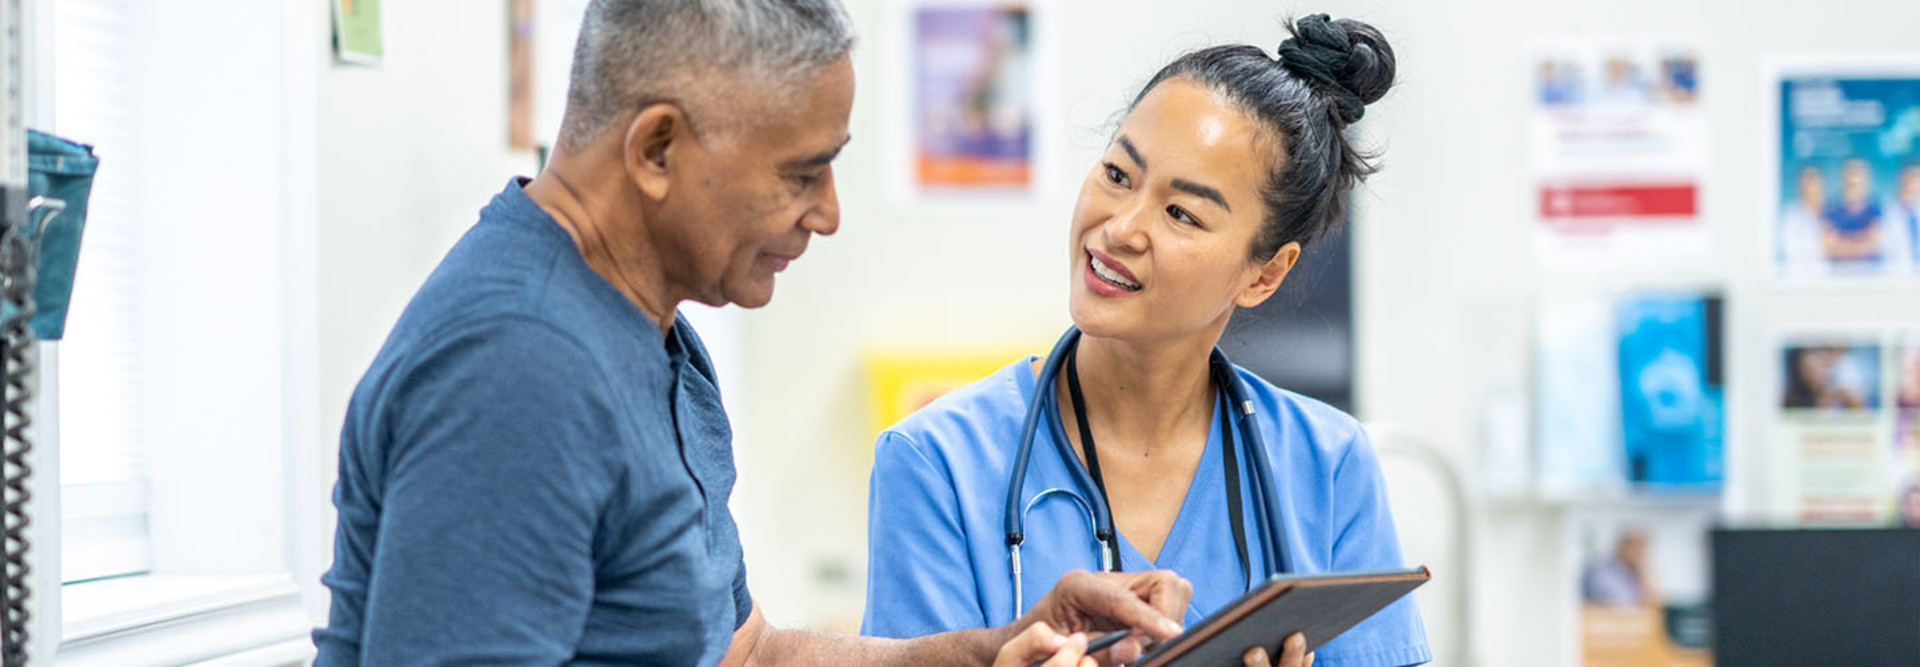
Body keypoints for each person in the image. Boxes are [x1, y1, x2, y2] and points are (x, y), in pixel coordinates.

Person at [312, 2, 1195, 665]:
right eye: (802, 174)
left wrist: (999, 646)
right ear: (656, 149)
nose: (828, 215)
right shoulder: (520, 366)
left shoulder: (648, 327)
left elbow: (750, 651)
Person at [862, 15, 1429, 667]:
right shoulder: (937, 463)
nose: (1121, 227)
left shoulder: (1327, 466)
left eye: (1182, 213)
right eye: (1118, 175)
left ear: (1265, 273)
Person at [1820, 158, 1885, 265]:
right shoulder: (1830, 209)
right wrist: (1863, 240)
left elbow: (1874, 245)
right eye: (1850, 173)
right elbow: (1829, 248)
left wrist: (1842, 242)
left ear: (1866, 178)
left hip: (1871, 275)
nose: (1854, 178)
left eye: (1858, 173)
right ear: (1842, 177)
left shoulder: (1876, 208)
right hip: (1837, 275)